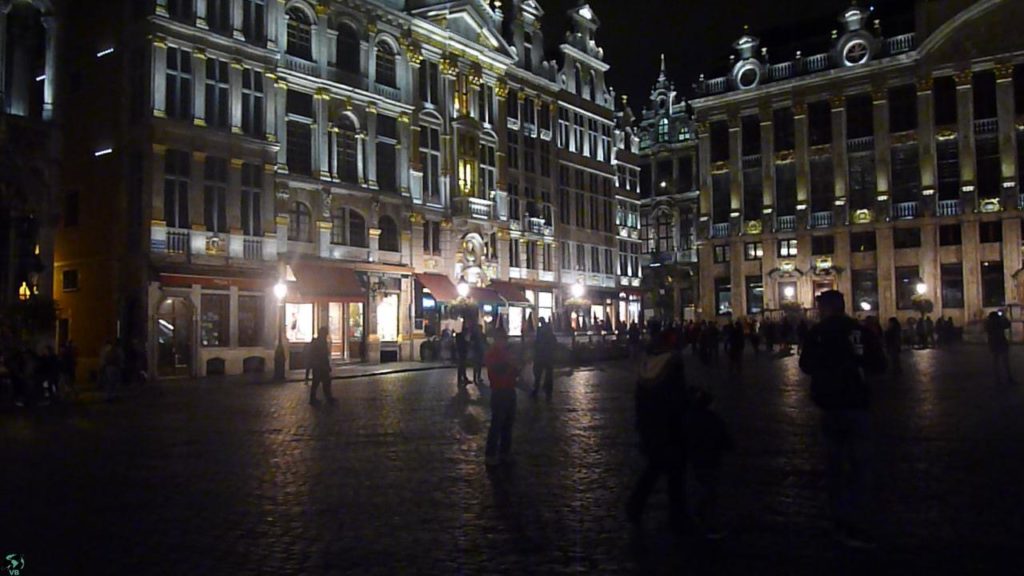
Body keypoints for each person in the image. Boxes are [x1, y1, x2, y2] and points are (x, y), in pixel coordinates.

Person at [799, 290, 886, 548]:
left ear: (825, 308)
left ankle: (839, 521)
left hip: (831, 405)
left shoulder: (818, 333)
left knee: (835, 467)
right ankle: (860, 520)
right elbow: (880, 365)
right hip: (858, 403)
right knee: (861, 468)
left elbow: (805, 365)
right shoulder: (859, 330)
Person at [626, 324, 690, 531]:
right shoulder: (673, 363)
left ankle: (637, 505)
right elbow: (677, 395)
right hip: (670, 424)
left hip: (649, 425)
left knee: (656, 467)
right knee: (673, 469)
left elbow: (639, 398)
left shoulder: (646, 366)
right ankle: (675, 512)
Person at [686, 389, 735, 538]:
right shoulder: (714, 420)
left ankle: (699, 514)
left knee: (704, 487)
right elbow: (726, 441)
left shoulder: (690, 419)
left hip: (697, 460)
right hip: (712, 459)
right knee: (711, 490)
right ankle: (707, 523)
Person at [484, 329, 518, 466]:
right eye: (503, 339)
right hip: (499, 391)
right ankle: (491, 454)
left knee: (508, 424)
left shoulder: (506, 353)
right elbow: (497, 370)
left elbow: (514, 371)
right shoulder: (492, 353)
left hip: (509, 390)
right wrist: (510, 365)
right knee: (497, 424)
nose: (505, 342)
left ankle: (505, 452)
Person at [304, 328, 334, 404]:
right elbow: (322, 355)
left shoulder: (319, 342)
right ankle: (315, 399)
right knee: (319, 382)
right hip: (319, 366)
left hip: (319, 365)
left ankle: (326, 397)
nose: (326, 335)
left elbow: (324, 355)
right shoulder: (319, 343)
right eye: (326, 333)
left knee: (324, 382)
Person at [985, 311, 1014, 385]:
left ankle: (998, 379)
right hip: (1001, 342)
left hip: (993, 344)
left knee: (995, 362)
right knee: (1005, 362)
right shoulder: (999, 321)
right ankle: (1009, 378)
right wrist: (1003, 317)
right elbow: (1007, 325)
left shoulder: (988, 323)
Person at [531, 317, 556, 399]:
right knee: (548, 374)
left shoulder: (540, 331)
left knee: (538, 374)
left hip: (540, 356)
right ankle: (548, 391)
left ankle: (536, 390)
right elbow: (553, 343)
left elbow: (537, 344)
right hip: (548, 356)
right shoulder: (549, 331)